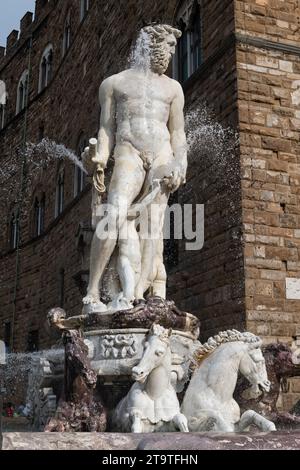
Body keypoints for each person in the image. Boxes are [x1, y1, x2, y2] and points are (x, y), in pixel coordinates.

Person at [83, 24, 187, 311]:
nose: (171, 53)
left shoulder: (173, 88)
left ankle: (139, 293)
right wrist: (101, 157)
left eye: (173, 48)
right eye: (167, 46)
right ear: (151, 45)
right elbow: (106, 129)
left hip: (162, 153)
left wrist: (181, 163)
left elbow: (178, 133)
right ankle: (93, 289)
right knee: (114, 214)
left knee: (154, 225)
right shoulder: (114, 83)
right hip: (128, 151)